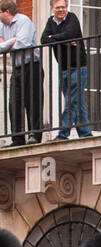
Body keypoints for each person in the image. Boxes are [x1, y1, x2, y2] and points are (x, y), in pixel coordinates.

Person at [41, 0, 91, 140]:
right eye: (58, 8)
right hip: (63, 67)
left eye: (63, 7)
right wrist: (64, 42)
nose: (61, 10)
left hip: (78, 66)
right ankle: (86, 133)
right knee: (77, 101)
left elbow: (70, 33)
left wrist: (55, 39)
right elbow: (44, 39)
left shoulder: (72, 18)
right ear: (52, 9)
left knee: (72, 101)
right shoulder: (50, 22)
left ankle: (63, 133)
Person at [0, 1, 42, 146]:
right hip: (17, 68)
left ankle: (35, 135)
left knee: (33, 101)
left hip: (32, 65)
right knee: (14, 103)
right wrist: (10, 42)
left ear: (6, 12)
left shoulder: (24, 21)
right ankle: (17, 138)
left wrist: (8, 44)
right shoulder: (2, 26)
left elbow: (22, 44)